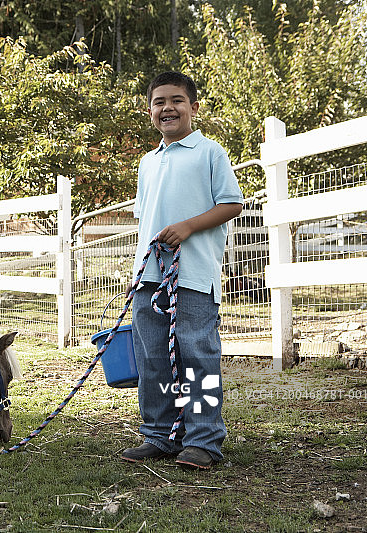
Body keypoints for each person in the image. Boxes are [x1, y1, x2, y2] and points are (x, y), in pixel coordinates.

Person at [121, 71, 244, 470]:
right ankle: (159, 433)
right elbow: (145, 219)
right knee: (152, 356)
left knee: (197, 355)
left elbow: (231, 204)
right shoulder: (147, 162)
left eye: (176, 100)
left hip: (192, 274)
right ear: (150, 110)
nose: (167, 108)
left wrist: (188, 226)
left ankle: (204, 438)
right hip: (150, 276)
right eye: (159, 102)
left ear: (193, 107)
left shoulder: (210, 153)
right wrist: (136, 269)